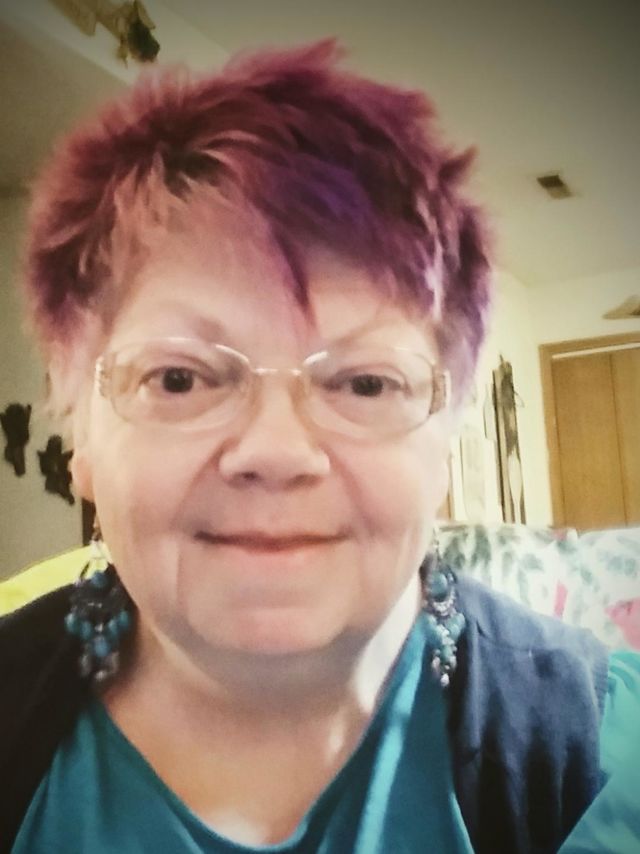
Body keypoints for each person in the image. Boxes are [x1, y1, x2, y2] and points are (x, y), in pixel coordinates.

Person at [0, 39, 637, 854]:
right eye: (180, 379)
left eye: (365, 383)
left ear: (445, 440)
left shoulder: (604, 751)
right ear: (80, 437)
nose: (277, 450)